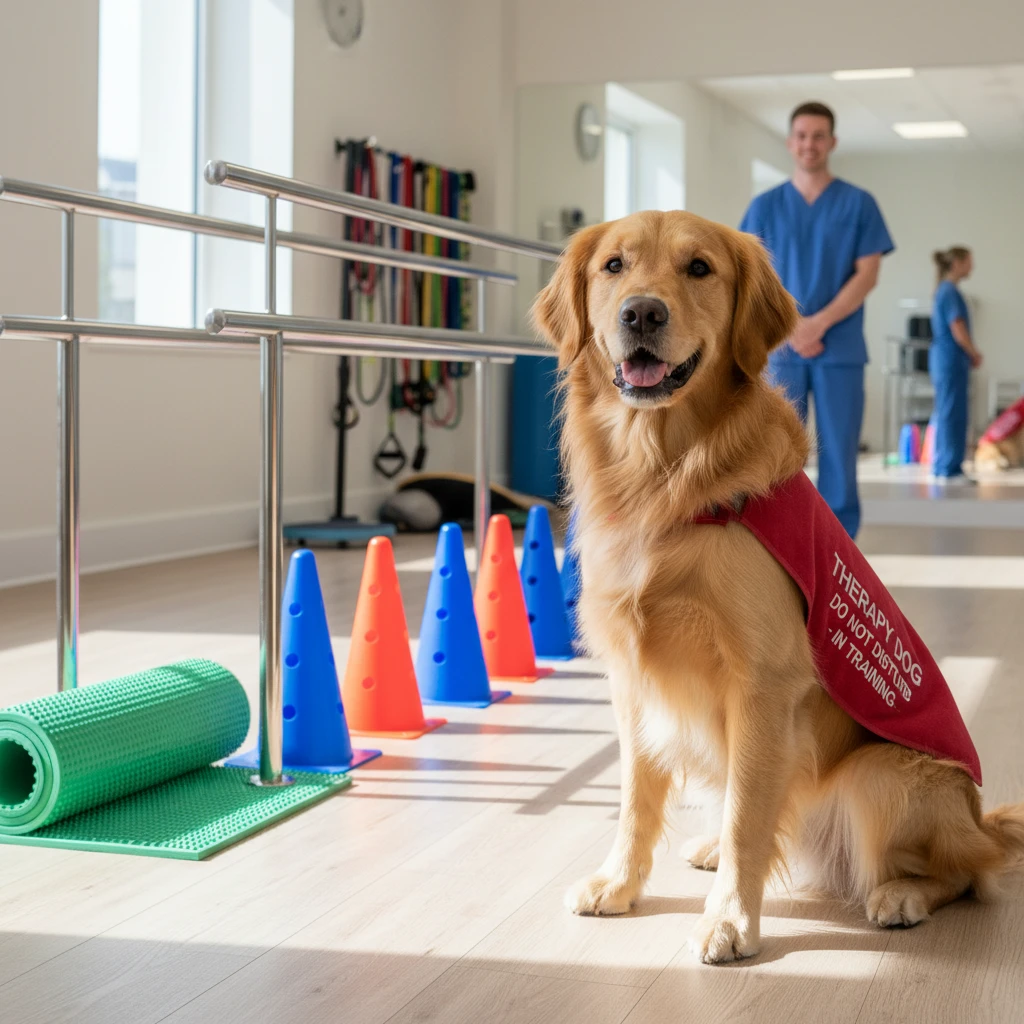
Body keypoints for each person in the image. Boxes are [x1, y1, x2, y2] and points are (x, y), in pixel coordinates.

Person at [740, 101, 895, 539]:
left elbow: (868, 274)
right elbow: (752, 276)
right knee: (775, 451)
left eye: (819, 136)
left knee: (839, 454)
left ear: (832, 142)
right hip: (781, 348)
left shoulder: (859, 204)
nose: (810, 144)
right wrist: (792, 325)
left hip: (839, 349)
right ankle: (780, 544)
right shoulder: (765, 206)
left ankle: (837, 548)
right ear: (791, 142)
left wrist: (818, 323)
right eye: (802, 136)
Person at [929, 247, 982, 484]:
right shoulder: (949, 291)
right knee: (952, 413)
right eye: (969, 261)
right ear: (957, 263)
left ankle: (945, 467)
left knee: (948, 411)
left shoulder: (945, 290)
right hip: (950, 360)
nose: (972, 266)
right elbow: (957, 328)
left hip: (948, 360)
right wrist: (974, 353)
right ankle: (949, 470)